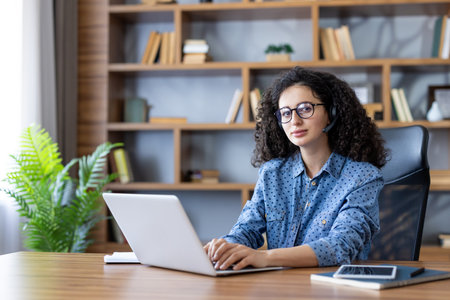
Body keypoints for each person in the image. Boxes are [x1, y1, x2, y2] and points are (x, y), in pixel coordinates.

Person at [204, 66, 388, 270]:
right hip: (281, 287)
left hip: (333, 288)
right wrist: (224, 247)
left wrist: (264, 257)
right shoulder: (272, 173)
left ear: (331, 113)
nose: (295, 121)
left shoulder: (362, 177)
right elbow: (247, 230)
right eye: (285, 113)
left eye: (305, 109)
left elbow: (340, 246)